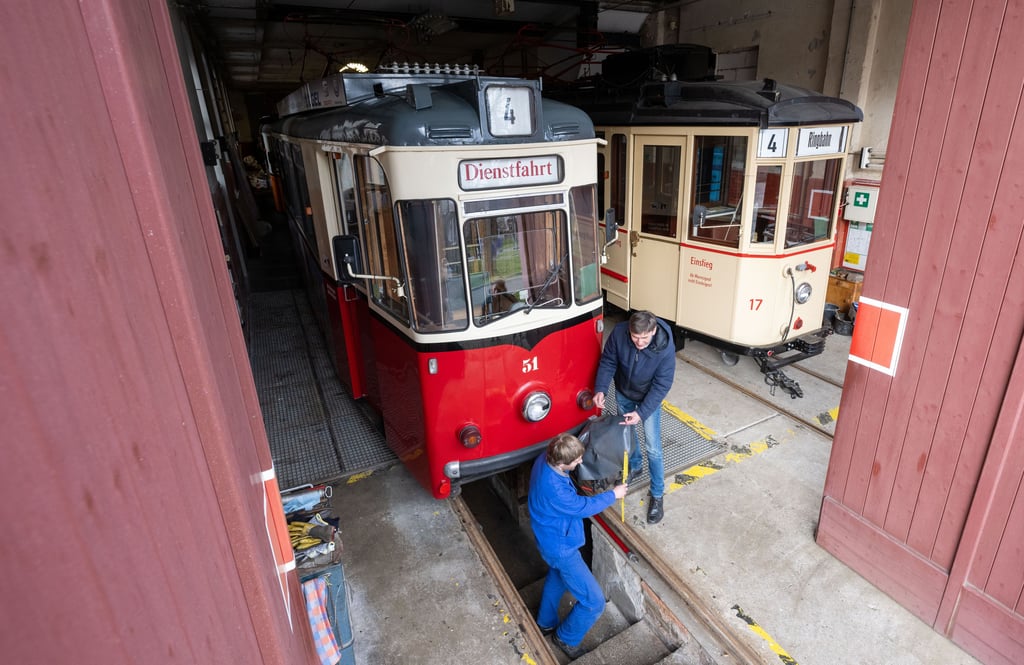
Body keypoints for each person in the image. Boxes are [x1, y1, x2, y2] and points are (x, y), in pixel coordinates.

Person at [528, 433, 628, 659]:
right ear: (562, 463)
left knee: (557, 577)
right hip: (562, 548)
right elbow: (581, 507)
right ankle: (566, 638)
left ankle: (545, 622)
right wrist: (614, 494)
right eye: (576, 461)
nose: (580, 463)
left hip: (548, 540)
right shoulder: (554, 489)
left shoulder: (545, 458)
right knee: (594, 602)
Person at [593, 310, 676, 524]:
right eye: (635, 337)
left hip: (649, 398)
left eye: (644, 338)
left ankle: (657, 494)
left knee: (654, 447)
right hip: (623, 392)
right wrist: (601, 388)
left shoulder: (665, 348)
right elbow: (609, 361)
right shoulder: (620, 333)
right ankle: (636, 465)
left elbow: (662, 385)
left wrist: (641, 413)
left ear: (654, 331)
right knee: (627, 435)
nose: (639, 343)